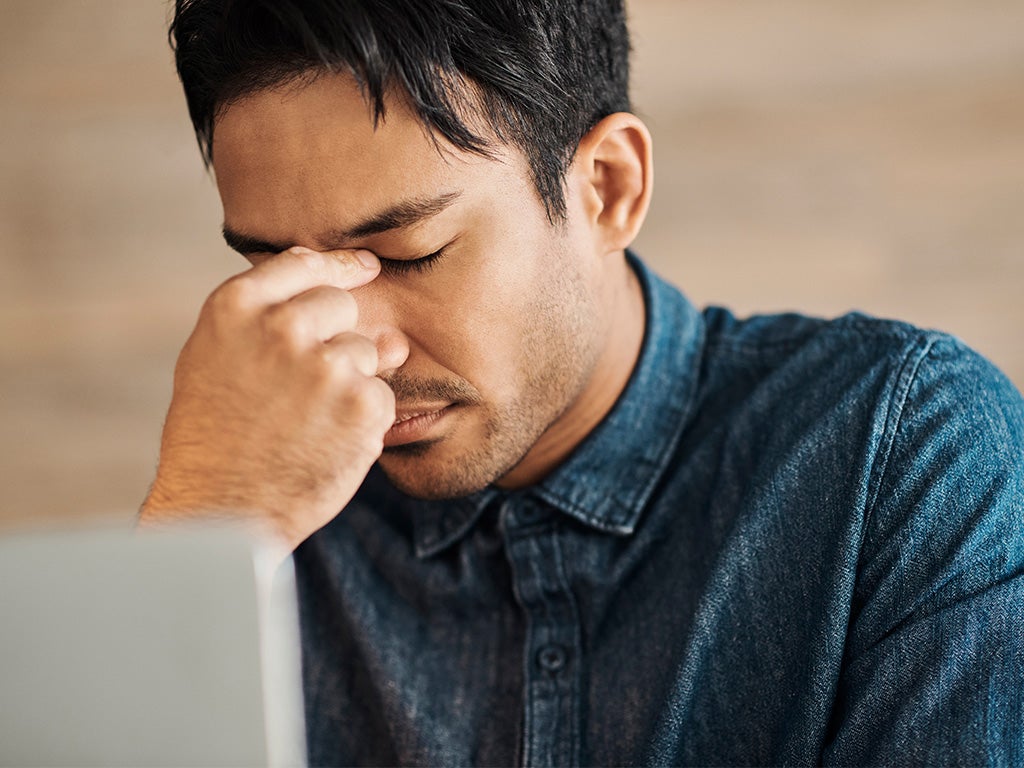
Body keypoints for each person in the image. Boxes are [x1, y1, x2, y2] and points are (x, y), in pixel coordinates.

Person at [141, 0, 1024, 764]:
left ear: (608, 188)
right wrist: (204, 528)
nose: (358, 351)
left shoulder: (899, 454)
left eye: (411, 255)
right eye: (279, 272)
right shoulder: (263, 501)